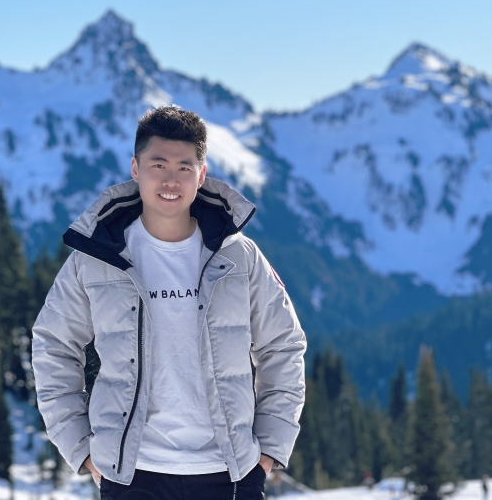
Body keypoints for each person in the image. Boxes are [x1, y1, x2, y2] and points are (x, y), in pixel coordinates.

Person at [32, 106, 306, 499]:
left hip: (230, 472)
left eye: (184, 167)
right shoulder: (96, 257)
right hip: (132, 474)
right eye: (158, 165)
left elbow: (283, 345)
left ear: (202, 174)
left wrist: (268, 451)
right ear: (135, 168)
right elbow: (53, 345)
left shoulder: (240, 256)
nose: (170, 180)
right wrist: (80, 447)